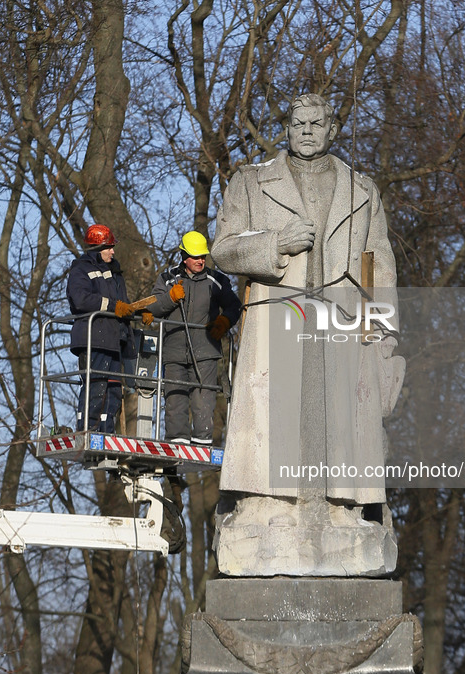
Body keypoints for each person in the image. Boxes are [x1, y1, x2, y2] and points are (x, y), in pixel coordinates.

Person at [210, 93, 405, 576]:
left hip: (341, 323)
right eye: (298, 124)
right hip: (280, 319)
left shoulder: (361, 190)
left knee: (341, 419)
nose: (307, 132)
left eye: (316, 124)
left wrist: (383, 336)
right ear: (287, 128)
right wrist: (275, 244)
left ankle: (341, 510)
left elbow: (381, 267)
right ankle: (268, 506)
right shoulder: (253, 182)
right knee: (273, 415)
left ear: (331, 128)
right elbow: (223, 250)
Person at [145, 230, 241, 445]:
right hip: (174, 350)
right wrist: (169, 298)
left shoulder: (216, 280)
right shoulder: (167, 279)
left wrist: (224, 321)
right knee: (175, 398)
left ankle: (202, 441)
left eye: (203, 256)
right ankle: (177, 440)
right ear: (184, 256)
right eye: (196, 256)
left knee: (204, 399)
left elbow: (234, 306)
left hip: (206, 350)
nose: (201, 260)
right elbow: (153, 308)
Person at [67, 224, 135, 434]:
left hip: (114, 339)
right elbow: (81, 299)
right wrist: (114, 307)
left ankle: (106, 431)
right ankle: (88, 430)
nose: (113, 251)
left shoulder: (115, 272)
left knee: (114, 390)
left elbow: (122, 303)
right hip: (93, 338)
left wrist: (137, 312)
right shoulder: (81, 269)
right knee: (95, 387)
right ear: (97, 248)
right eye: (109, 247)